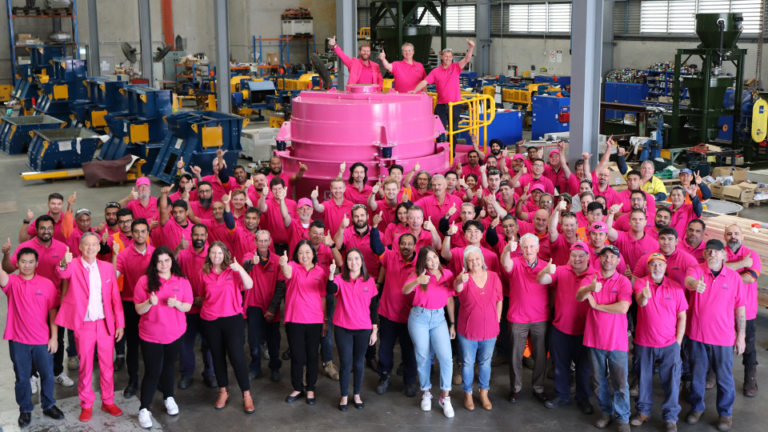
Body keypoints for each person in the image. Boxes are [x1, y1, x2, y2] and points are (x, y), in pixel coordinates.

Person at [55, 232, 125, 422]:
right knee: (85, 366)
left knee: (107, 365)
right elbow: (61, 273)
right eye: (87, 244)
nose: (91, 247)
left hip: (104, 323)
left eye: (94, 244)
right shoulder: (72, 265)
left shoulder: (107, 267)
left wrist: (120, 323)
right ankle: (86, 404)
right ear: (81, 246)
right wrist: (63, 261)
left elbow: (114, 298)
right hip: (83, 324)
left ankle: (108, 401)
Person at [3, 215, 74, 390]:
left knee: (56, 339)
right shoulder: (25, 248)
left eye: (49, 228)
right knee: (31, 342)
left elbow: (66, 277)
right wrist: (5, 254)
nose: (46, 231)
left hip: (54, 301)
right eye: (42, 228)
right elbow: (8, 269)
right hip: (30, 302)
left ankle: (57, 372)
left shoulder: (62, 247)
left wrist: (63, 298)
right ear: (36, 229)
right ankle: (32, 376)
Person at [683, 239, 746, 432]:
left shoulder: (734, 278)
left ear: (724, 255)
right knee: (697, 376)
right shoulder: (696, 269)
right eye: (709, 251)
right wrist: (695, 285)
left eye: (716, 251)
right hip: (697, 335)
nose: (712, 254)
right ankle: (697, 408)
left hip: (724, 337)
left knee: (724, 378)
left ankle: (725, 414)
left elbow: (740, 308)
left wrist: (741, 336)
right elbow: (688, 281)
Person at [2, 247, 65, 428]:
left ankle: (48, 405)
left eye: (31, 261)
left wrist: (54, 338)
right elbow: (2, 273)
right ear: (17, 263)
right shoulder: (11, 283)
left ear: (36, 264)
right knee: (22, 378)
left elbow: (53, 311)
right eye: (23, 261)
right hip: (19, 341)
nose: (27, 265)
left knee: (47, 375)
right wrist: (5, 255)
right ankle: (25, 409)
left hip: (42, 340)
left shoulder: (46, 284)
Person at [133, 247, 193, 428]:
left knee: (168, 368)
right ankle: (144, 408)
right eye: (159, 261)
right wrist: (148, 303)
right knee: (152, 372)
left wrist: (177, 304)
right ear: (154, 263)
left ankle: (169, 397)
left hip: (174, 334)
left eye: (167, 260)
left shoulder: (181, 281)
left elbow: (188, 307)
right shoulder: (144, 281)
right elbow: (138, 309)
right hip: (151, 335)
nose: (164, 264)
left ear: (172, 261)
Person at [576, 245, 632, 431]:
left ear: (618, 261)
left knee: (620, 382)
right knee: (598, 381)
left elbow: (622, 307)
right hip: (594, 338)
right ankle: (607, 412)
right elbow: (578, 296)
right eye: (605, 256)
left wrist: (597, 306)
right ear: (600, 259)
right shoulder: (590, 278)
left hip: (617, 341)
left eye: (612, 257)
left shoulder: (624, 281)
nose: (608, 259)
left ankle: (623, 418)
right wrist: (589, 288)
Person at [630, 253, 687, 431]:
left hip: (669, 344)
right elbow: (640, 301)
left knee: (672, 381)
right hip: (644, 343)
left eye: (660, 265)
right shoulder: (640, 283)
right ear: (648, 268)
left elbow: (682, 317)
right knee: (643, 379)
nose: (656, 268)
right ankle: (644, 412)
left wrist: (677, 343)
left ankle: (670, 417)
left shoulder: (676, 288)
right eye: (653, 265)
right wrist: (644, 296)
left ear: (665, 267)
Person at [198, 242, 255, 413]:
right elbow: (202, 296)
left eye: (220, 253)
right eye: (213, 253)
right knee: (217, 357)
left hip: (232, 320)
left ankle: (246, 394)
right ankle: (223, 391)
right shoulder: (203, 273)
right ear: (209, 255)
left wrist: (239, 268)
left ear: (225, 255)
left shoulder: (233, 271)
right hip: (210, 321)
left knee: (237, 357)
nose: (217, 256)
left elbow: (249, 285)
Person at [403, 246, 456, 418]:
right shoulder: (418, 276)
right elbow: (405, 290)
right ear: (423, 262)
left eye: (434, 257)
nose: (433, 261)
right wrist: (418, 280)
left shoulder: (447, 274)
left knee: (446, 357)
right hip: (419, 318)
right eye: (428, 259)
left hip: (439, 318)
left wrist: (452, 323)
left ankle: (445, 397)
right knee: (423, 356)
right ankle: (426, 392)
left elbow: (450, 299)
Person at [326, 249, 378, 411]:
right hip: (343, 328)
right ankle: (343, 396)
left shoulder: (369, 281)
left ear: (361, 261)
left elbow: (374, 307)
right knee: (346, 363)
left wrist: (374, 330)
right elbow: (330, 290)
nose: (353, 262)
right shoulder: (339, 279)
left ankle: (356, 394)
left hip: (363, 328)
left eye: (356, 258)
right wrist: (330, 274)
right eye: (349, 259)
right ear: (346, 263)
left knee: (359, 362)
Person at [500, 233, 549, 404]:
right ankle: (515, 388)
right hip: (517, 317)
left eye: (531, 246)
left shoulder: (545, 266)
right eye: (525, 247)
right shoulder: (515, 263)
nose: (528, 250)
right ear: (521, 248)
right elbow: (505, 264)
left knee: (541, 355)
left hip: (540, 317)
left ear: (537, 248)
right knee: (515, 356)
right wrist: (507, 249)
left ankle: (539, 387)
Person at [369, 228, 419, 397]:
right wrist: (375, 229)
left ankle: (410, 380)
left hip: (411, 317)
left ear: (415, 246)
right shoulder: (390, 257)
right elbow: (376, 247)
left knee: (409, 350)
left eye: (409, 244)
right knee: (385, 348)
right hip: (388, 313)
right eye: (403, 243)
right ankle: (384, 376)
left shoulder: (420, 264)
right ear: (398, 245)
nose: (406, 246)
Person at [454, 246, 503, 411]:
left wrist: (497, 323)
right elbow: (457, 288)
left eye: (477, 258)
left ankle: (484, 392)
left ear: (482, 259)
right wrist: (460, 279)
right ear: (466, 264)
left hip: (490, 328)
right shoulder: (464, 278)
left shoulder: (494, 277)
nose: (474, 262)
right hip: (467, 330)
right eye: (470, 260)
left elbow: (499, 300)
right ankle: (467, 393)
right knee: (467, 363)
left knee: (485, 362)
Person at [280, 240, 329, 405]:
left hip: (315, 320)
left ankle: (310, 389)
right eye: (301, 252)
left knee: (312, 356)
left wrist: (325, 320)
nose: (305, 255)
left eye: (308, 252)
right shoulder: (293, 266)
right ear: (296, 255)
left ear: (313, 254)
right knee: (297, 356)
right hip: (295, 319)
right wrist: (284, 264)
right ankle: (297, 387)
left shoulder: (320, 271)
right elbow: (286, 273)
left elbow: (323, 297)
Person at [113, 218, 155, 399]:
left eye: (143, 231)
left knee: (152, 346)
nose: (139, 234)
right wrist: (114, 256)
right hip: (130, 305)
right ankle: (133, 381)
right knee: (132, 346)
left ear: (148, 233)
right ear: (132, 232)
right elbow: (113, 276)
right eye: (136, 231)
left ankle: (154, 379)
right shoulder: (124, 254)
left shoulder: (155, 253)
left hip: (153, 305)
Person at [175, 224, 217, 390]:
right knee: (185, 344)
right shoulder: (183, 253)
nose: (199, 238)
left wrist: (205, 299)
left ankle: (210, 373)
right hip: (187, 309)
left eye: (202, 235)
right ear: (191, 236)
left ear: (206, 236)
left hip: (208, 308)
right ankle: (186, 374)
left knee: (210, 343)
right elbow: (168, 266)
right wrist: (178, 248)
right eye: (196, 235)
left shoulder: (213, 254)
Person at [723, 224, 761, 397]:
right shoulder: (720, 253)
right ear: (725, 236)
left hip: (748, 309)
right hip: (723, 310)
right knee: (720, 344)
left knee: (749, 346)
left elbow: (750, 277)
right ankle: (713, 373)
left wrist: (727, 273)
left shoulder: (752, 255)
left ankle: (750, 379)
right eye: (729, 233)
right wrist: (742, 264)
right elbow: (715, 272)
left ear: (742, 236)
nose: (733, 236)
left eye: (736, 233)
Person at [242, 230, 284, 382]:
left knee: (274, 340)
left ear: (270, 241)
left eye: (266, 240)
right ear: (255, 242)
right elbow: (244, 268)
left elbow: (281, 287)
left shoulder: (277, 260)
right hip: (254, 305)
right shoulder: (249, 257)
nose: (263, 244)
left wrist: (272, 308)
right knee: (253, 340)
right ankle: (255, 368)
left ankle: (275, 367)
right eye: (260, 241)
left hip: (271, 306)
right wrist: (251, 263)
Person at [410, 40, 475, 135]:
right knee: (440, 130)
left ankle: (452, 150)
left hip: (455, 105)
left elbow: (466, 59)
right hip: (441, 105)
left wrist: (471, 47)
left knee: (454, 130)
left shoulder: (456, 67)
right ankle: (442, 148)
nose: (447, 58)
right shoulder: (435, 71)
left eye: (449, 56)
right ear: (442, 57)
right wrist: (414, 91)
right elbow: (424, 81)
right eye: (446, 56)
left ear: (452, 58)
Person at [605, 208, 659, 278]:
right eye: (634, 219)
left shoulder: (655, 244)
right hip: (620, 280)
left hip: (643, 283)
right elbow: (607, 230)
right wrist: (611, 213)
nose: (637, 222)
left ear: (645, 222)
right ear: (629, 222)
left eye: (641, 219)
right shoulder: (620, 236)